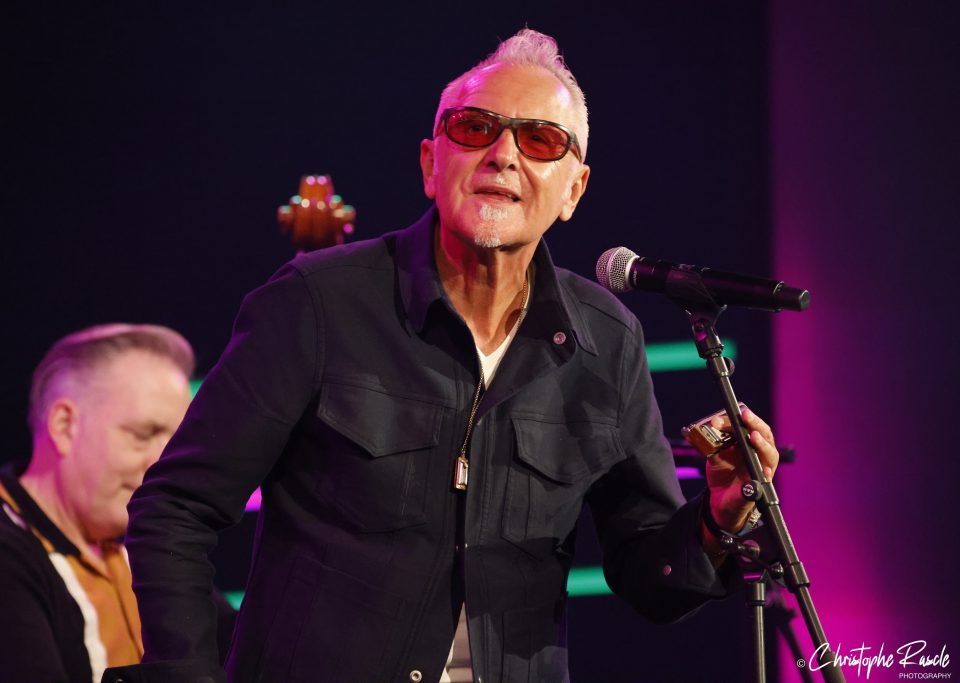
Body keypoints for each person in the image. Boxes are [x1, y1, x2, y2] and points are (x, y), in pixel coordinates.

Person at [106, 28, 779, 683]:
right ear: (432, 164)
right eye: (476, 128)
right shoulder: (317, 303)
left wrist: (717, 519)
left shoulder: (608, 341)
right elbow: (177, 508)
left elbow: (651, 578)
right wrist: (186, 670)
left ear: (573, 190)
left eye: (540, 139)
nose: (503, 154)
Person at [0, 324, 236, 683]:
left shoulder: (134, 542)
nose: (163, 462)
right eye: (143, 435)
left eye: (174, 442)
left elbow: (243, 651)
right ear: (64, 425)